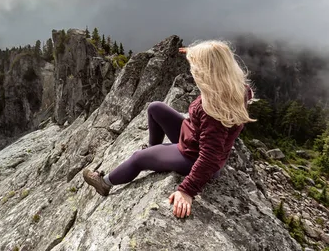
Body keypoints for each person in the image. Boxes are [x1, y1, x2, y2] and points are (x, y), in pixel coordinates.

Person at [82, 40, 255, 218]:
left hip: (192, 156)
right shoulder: (238, 88)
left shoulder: (212, 111)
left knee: (137, 158)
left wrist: (186, 191)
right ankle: (153, 152)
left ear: (207, 72)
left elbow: (210, 157)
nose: (192, 70)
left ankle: (104, 183)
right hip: (190, 137)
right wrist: (194, 53)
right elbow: (217, 60)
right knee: (155, 108)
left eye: (196, 66)